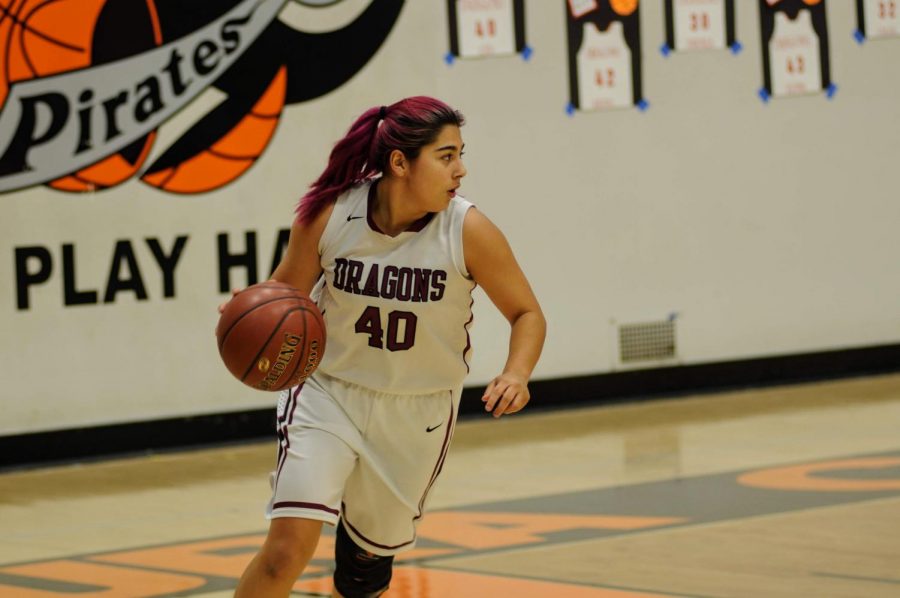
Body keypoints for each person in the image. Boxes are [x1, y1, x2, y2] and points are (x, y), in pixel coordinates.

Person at [231, 96, 546, 597]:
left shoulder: (467, 230)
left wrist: (516, 372)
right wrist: (249, 317)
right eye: (446, 156)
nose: (461, 170)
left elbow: (527, 313)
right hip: (327, 392)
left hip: (416, 409)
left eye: (460, 154)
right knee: (285, 553)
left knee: (362, 573)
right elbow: (284, 298)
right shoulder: (332, 215)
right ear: (400, 163)